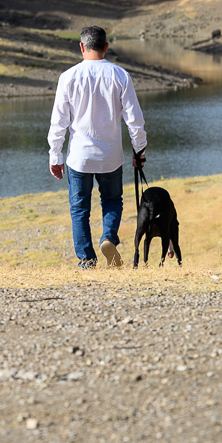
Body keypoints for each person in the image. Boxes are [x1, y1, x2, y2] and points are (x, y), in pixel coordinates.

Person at [48, 26, 147, 268]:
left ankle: (86, 260)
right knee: (112, 200)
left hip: (79, 157)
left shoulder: (68, 77)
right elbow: (135, 120)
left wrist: (55, 154)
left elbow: (58, 122)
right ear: (106, 47)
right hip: (110, 155)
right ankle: (108, 238)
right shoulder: (120, 75)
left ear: (81, 47)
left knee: (79, 208)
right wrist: (139, 149)